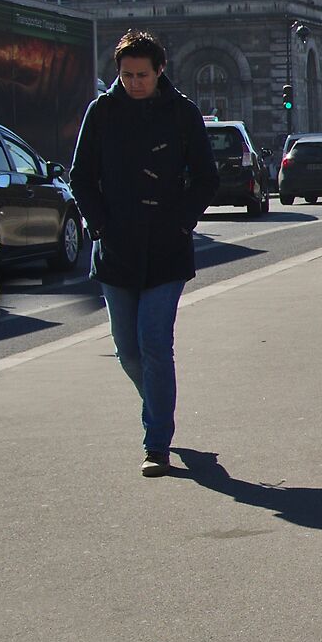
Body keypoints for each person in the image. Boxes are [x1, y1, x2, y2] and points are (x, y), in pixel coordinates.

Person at [69, 30, 219, 475]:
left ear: (159, 72)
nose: (133, 83)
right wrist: (99, 225)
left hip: (166, 248)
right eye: (126, 75)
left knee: (154, 344)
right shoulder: (101, 112)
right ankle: (159, 404)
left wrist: (181, 220)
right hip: (116, 248)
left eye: (142, 75)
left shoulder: (182, 113)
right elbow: (80, 177)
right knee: (127, 350)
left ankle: (156, 441)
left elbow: (206, 178)